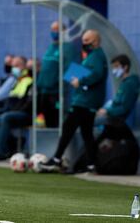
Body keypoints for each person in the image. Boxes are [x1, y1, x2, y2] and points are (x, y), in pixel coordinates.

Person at [41, 30, 108, 173]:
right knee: (86, 133)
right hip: (84, 100)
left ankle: (57, 159)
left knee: (68, 127)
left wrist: (81, 80)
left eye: (87, 40)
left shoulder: (96, 56)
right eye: (83, 40)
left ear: (95, 41)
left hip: (85, 101)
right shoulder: (91, 56)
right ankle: (92, 164)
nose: (84, 43)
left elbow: (96, 74)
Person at [0, 56, 33, 161]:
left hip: (24, 113)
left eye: (17, 65)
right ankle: (7, 148)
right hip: (13, 111)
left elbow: (27, 103)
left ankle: (1, 152)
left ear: (24, 66)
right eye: (13, 66)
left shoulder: (29, 80)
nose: (14, 68)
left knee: (4, 118)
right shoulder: (17, 80)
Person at [37, 21, 77, 128]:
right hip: (44, 91)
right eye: (52, 29)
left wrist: (61, 85)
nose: (54, 32)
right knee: (47, 122)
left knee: (57, 122)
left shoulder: (68, 47)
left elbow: (73, 70)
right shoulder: (51, 47)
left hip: (58, 93)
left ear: (63, 32)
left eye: (57, 29)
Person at [96, 54, 140, 124]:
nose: (114, 70)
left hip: (116, 119)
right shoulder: (124, 83)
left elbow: (124, 107)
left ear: (125, 67)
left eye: (116, 66)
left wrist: (107, 111)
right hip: (114, 118)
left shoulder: (129, 84)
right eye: (113, 67)